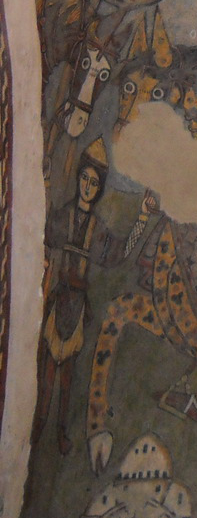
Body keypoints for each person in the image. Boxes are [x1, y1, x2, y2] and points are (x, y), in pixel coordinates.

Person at [35, 139, 115, 454]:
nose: (87, 186)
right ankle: (37, 424)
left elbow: (114, 254)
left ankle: (60, 431)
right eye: (84, 178)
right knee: (46, 371)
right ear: (79, 178)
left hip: (78, 305)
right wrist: (44, 183)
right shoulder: (64, 215)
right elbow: (45, 231)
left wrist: (141, 220)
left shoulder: (98, 228)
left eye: (94, 183)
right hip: (59, 301)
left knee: (67, 377)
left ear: (99, 189)